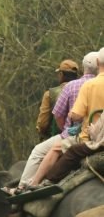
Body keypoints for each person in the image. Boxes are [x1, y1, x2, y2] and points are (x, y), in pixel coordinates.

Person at [4, 52, 99, 194]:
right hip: (98, 134)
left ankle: (23, 187)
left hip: (76, 135)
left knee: (38, 151)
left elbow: (52, 119)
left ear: (60, 75)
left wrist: (63, 129)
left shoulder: (63, 89)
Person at [27, 47, 104, 187]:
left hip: (85, 136)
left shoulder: (83, 86)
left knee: (46, 150)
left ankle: (33, 184)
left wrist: (67, 124)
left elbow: (52, 120)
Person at [36, 59, 79, 141]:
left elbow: (42, 124)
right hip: (79, 137)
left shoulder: (49, 94)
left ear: (61, 74)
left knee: (36, 152)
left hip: (57, 138)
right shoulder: (84, 91)